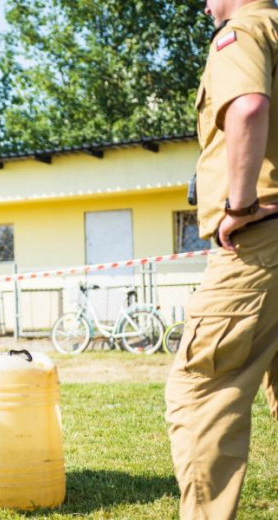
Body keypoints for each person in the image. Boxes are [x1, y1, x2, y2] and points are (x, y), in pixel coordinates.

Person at [165, 2, 278, 519]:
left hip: (257, 248)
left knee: (201, 391)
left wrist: (239, 203)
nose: (205, 4)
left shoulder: (242, 32)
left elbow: (249, 106)